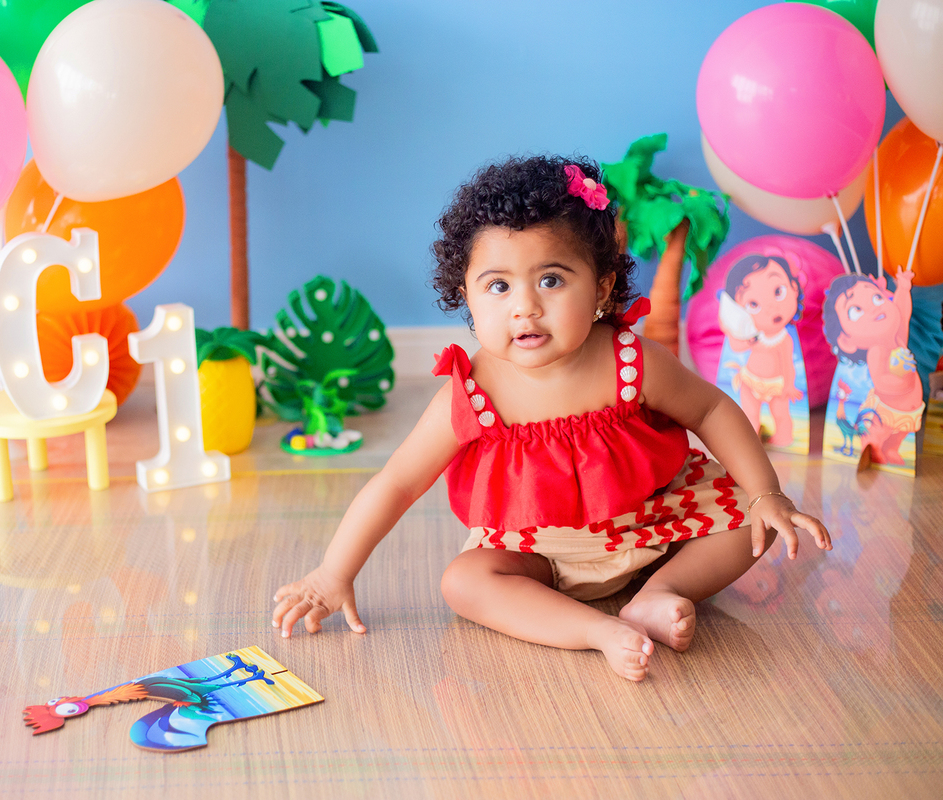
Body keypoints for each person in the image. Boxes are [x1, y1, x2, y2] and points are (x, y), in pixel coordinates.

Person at [271, 155, 831, 681]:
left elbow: (710, 408)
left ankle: (659, 592)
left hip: (650, 522)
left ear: (601, 287)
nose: (525, 306)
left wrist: (765, 494)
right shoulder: (473, 395)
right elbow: (396, 483)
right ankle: (595, 630)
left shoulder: (630, 361)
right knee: (463, 583)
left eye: (552, 280)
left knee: (744, 526)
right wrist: (332, 573)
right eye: (498, 286)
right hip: (538, 550)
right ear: (466, 296)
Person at [822, 270, 924, 465]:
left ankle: (892, 449)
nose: (873, 308)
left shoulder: (898, 338)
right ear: (846, 340)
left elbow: (903, 312)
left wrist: (903, 288)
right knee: (879, 431)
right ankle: (872, 448)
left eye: (877, 297)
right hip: (885, 409)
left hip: (908, 408)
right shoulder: (877, 350)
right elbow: (882, 382)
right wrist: (900, 378)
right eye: (856, 310)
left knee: (901, 433)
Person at [717, 254, 805, 447]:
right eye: (753, 304)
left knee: (781, 415)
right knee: (749, 415)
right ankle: (750, 442)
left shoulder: (785, 339)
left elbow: (787, 364)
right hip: (751, 380)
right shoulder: (753, 336)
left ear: (794, 288)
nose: (771, 307)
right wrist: (729, 330)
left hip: (776, 385)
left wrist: (789, 384)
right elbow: (737, 346)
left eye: (778, 291)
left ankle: (784, 438)